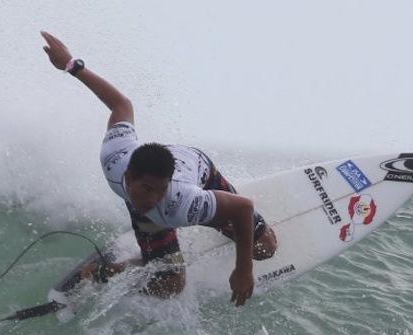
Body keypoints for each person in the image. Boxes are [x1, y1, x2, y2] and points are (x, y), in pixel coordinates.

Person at [41, 31, 277, 306]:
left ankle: (156, 254)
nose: (153, 197)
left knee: (265, 248)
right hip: (155, 176)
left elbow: (242, 207)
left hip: (198, 168)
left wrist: (243, 268)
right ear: (128, 178)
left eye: (159, 190)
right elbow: (121, 104)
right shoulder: (115, 156)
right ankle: (110, 271)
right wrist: (72, 65)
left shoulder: (184, 200)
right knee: (171, 286)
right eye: (147, 189)